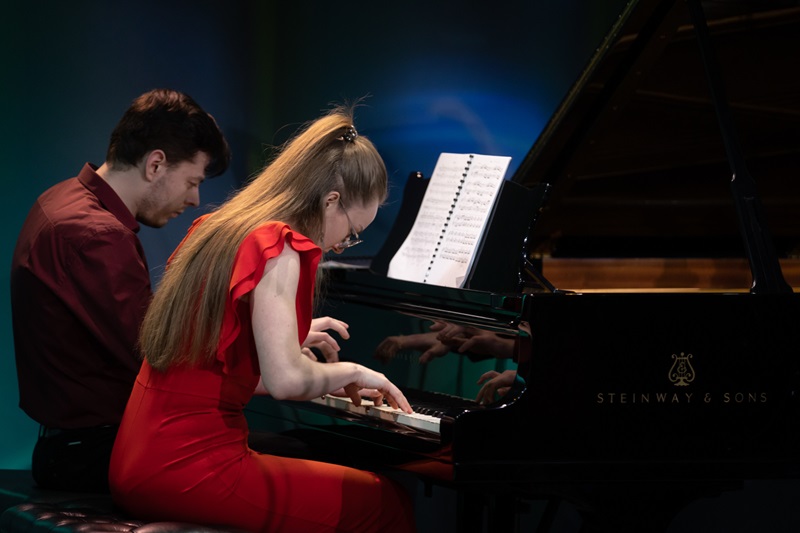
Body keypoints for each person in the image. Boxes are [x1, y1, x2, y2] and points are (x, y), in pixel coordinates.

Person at [108, 106, 417, 532]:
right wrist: (357, 372)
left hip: (136, 460)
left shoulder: (220, 228)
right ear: (330, 201)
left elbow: (210, 371)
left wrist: (297, 353)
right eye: (351, 234)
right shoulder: (280, 246)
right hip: (189, 468)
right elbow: (286, 381)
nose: (340, 247)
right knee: (384, 503)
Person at [10, 88, 231, 493]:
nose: (195, 199)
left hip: (73, 446)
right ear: (155, 164)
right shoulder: (97, 235)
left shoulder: (62, 198)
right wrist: (269, 349)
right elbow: (160, 356)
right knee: (297, 454)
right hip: (94, 452)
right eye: (192, 182)